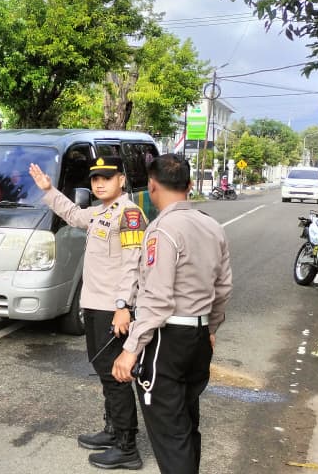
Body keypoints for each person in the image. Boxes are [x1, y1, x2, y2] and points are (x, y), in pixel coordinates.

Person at [112, 154, 232, 474]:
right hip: (199, 336)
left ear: (152, 185)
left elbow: (158, 298)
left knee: (170, 432)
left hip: (167, 339)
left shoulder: (162, 230)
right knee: (187, 424)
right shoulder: (212, 226)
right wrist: (210, 328)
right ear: (190, 185)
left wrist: (131, 349)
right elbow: (223, 288)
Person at [28, 156, 148, 470]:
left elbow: (133, 264)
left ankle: (127, 446)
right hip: (94, 305)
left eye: (107, 177)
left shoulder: (129, 214)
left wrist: (124, 307)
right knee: (103, 370)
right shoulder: (99, 212)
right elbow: (72, 214)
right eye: (95, 178)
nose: (99, 183)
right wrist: (49, 190)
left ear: (121, 180)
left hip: (113, 309)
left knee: (115, 375)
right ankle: (113, 430)